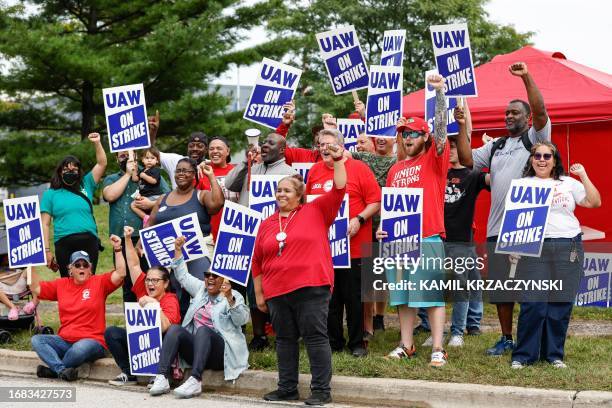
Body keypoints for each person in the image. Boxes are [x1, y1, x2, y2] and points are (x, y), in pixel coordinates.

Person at [455, 62, 551, 356]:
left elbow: (542, 111)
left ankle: (532, 339)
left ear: (527, 117)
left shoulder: (535, 139)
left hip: (526, 223)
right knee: (501, 289)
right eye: (507, 113)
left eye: (515, 112)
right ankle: (507, 338)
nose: (509, 116)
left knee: (530, 288)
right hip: (497, 228)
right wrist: (461, 126)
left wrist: (526, 77)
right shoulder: (496, 145)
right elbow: (467, 158)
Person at [253, 142, 347, 406]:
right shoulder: (267, 224)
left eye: (287, 190)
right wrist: (260, 294)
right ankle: (287, 388)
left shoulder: (316, 211)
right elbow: (257, 261)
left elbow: (339, 187)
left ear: (299, 195)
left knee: (315, 337)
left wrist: (338, 160)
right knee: (284, 340)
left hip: (311, 287)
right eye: (278, 190)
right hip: (276, 291)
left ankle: (320, 391)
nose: (281, 194)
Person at [377, 74, 449, 367]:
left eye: (413, 134)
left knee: (430, 296)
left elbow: (442, 131)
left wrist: (440, 92)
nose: (407, 138)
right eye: (404, 134)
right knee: (402, 297)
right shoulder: (395, 170)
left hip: (429, 236)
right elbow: (391, 207)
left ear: (425, 137)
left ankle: (438, 348)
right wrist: (384, 228)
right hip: (399, 241)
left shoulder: (434, 158)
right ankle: (406, 346)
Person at [510, 143, 600, 369]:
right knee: (533, 303)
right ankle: (523, 355)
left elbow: (594, 202)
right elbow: (515, 220)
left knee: (560, 303)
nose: (542, 160)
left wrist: (583, 175)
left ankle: (553, 355)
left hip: (567, 245)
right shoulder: (522, 185)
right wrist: (513, 248)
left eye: (546, 156)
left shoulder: (568, 183)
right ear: (531, 160)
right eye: (537, 156)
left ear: (554, 159)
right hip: (534, 249)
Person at [306, 129, 381, 357]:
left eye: (328, 144)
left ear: (340, 145)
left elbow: (375, 201)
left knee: (355, 298)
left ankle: (357, 342)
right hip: (325, 249)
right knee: (330, 298)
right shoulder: (315, 171)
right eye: (320, 144)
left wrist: (359, 219)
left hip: (355, 246)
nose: (324, 148)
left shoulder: (359, 168)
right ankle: (333, 341)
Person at [149, 236, 249, 398]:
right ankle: (162, 376)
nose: (210, 278)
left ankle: (195, 380)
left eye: (215, 276)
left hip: (220, 354)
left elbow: (241, 320)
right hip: (197, 350)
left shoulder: (233, 296)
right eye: (207, 274)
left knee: (203, 330)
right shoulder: (200, 290)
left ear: (223, 279)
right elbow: (182, 276)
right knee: (175, 329)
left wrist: (230, 297)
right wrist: (178, 249)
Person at [225, 132, 296, 352]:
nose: (264, 145)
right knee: (246, 288)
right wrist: (246, 164)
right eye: (263, 142)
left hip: (274, 238)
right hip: (246, 236)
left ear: (282, 150)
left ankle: (283, 333)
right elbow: (229, 184)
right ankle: (258, 335)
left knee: (273, 290)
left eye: (270, 143)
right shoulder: (252, 169)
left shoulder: (290, 173)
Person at [30, 238, 125, 381]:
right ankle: (61, 370)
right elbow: (36, 288)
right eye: (77, 264)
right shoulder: (61, 285)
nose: (81, 267)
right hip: (65, 340)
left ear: (90, 269)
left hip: (93, 341)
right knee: (37, 340)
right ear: (70, 269)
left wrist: (118, 249)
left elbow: (121, 273)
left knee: (79, 349)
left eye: (85, 265)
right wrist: (29, 263)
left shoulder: (99, 282)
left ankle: (53, 371)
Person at [147, 159, 224, 318]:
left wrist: (211, 177)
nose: (181, 174)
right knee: (175, 296)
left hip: (197, 254)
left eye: (186, 171)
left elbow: (217, 203)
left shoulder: (200, 195)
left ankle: (202, 333)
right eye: (178, 171)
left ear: (194, 175)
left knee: (201, 294)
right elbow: (150, 223)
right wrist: (140, 245)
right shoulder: (162, 198)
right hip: (168, 255)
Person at [105, 226, 181, 386]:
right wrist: (127, 239)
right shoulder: (143, 288)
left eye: (155, 281)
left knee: (166, 335)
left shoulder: (170, 300)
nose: (150, 284)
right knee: (112, 333)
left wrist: (154, 305)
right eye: (148, 280)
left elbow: (167, 328)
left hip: (162, 346)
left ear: (166, 283)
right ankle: (128, 373)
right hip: (141, 344)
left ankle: (160, 375)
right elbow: (133, 265)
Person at [103, 150, 170, 302]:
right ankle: (132, 323)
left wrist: (151, 203)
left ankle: (152, 320)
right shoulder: (111, 178)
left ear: (136, 156)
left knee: (150, 281)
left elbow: (169, 197)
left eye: (129, 155)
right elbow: (110, 196)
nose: (126, 158)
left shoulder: (150, 173)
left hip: (145, 237)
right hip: (121, 239)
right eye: (122, 155)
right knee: (127, 283)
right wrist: (128, 173)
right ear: (116, 158)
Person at [41, 132, 107, 277]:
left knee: (89, 281)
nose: (70, 172)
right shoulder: (50, 194)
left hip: (89, 240)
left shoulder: (86, 183)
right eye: (66, 169)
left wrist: (97, 143)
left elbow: (102, 163)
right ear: (60, 172)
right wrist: (46, 251)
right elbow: (45, 224)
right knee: (67, 282)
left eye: (74, 169)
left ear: (79, 171)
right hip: (63, 242)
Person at [149, 111, 209, 189]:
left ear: (206, 150)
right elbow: (151, 152)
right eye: (191, 145)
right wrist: (153, 131)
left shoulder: (210, 166)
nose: (194, 149)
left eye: (200, 146)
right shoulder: (176, 160)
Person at [196, 136, 240, 243]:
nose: (215, 151)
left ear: (228, 151)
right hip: (210, 236)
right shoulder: (200, 172)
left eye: (219, 148)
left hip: (237, 232)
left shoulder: (238, 171)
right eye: (211, 149)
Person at [130, 147, 164, 224]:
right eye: (147, 158)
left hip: (154, 196)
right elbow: (135, 179)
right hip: (145, 196)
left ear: (157, 160)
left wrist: (144, 176)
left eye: (152, 158)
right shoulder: (142, 170)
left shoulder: (155, 170)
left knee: (157, 210)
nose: (149, 160)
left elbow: (154, 181)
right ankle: (146, 218)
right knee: (133, 205)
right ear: (142, 160)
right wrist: (134, 169)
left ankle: (159, 220)